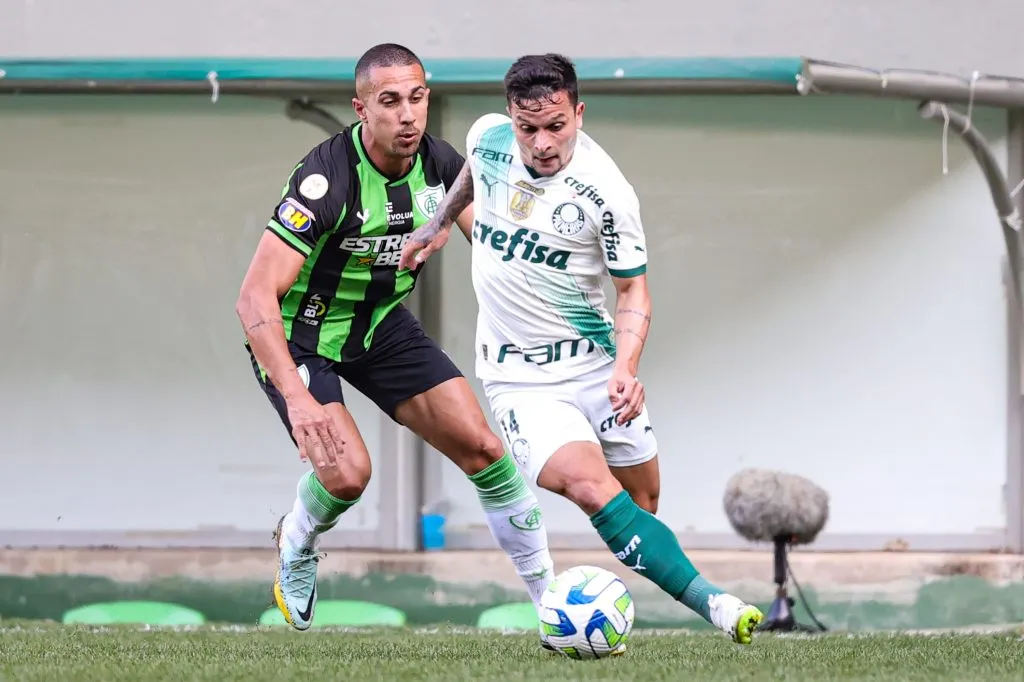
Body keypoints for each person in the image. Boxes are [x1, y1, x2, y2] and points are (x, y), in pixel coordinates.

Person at [399, 53, 764, 645]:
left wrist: (626, 367)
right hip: (520, 379)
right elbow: (473, 171)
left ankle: (618, 598)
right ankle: (719, 606)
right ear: (511, 118)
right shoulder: (488, 137)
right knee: (593, 490)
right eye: (528, 128)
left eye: (556, 126)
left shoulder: (607, 193)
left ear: (579, 114)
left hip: (597, 369)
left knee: (640, 507)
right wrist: (441, 221)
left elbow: (632, 289)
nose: (541, 142)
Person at [235, 43, 556, 632]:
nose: (407, 115)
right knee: (349, 474)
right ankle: (297, 539)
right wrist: (299, 400)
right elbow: (253, 298)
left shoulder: (440, 164)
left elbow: (496, 250)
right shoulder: (324, 180)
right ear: (362, 109)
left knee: (484, 448)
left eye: (416, 99)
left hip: (381, 325)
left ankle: (551, 605)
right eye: (389, 102)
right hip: (300, 333)